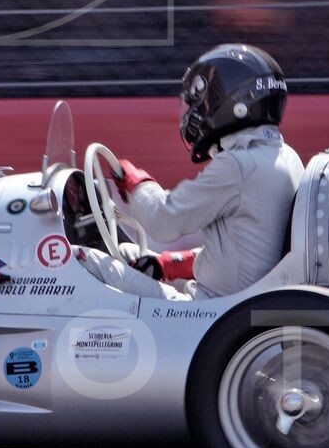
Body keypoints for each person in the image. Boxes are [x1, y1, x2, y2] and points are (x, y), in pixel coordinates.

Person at [112, 43, 303, 297]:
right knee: (127, 255)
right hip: (242, 299)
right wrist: (170, 264)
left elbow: (162, 220)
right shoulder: (285, 156)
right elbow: (243, 250)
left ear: (235, 102)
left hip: (215, 307)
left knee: (92, 263)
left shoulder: (238, 166)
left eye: (201, 101)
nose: (195, 112)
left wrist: (137, 184)